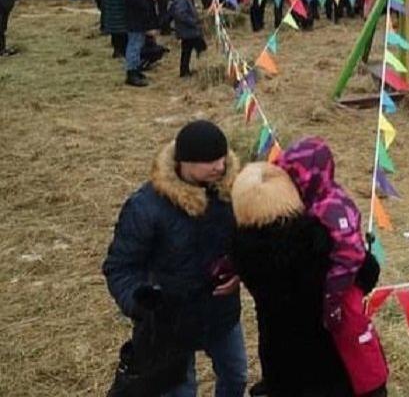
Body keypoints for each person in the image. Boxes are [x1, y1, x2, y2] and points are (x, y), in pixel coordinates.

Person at [103, 121, 246, 396]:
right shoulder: (146, 207)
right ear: (184, 163)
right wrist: (142, 303)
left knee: (237, 376)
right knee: (182, 391)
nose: (220, 166)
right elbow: (120, 267)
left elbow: (246, 242)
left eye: (222, 157)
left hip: (222, 313)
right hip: (171, 322)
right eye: (209, 161)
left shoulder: (231, 193)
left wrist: (241, 270)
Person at [230, 162, 368, 397]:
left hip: (277, 349)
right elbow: (366, 274)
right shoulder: (316, 240)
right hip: (324, 349)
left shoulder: (240, 246)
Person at [280, 138, 389, 396]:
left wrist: (332, 302)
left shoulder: (333, 207)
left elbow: (350, 257)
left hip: (343, 293)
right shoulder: (305, 201)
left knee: (356, 344)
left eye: (293, 178)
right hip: (316, 295)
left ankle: (370, 389)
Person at [120, 0, 159, 87]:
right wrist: (143, 4)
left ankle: (136, 68)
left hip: (141, 15)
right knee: (134, 44)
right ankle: (131, 72)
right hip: (135, 16)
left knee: (138, 42)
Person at [168, 0, 207, 78]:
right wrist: (194, 22)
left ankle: (185, 70)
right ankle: (186, 71)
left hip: (188, 30)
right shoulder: (181, 0)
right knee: (196, 47)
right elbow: (181, 15)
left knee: (187, 51)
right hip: (188, 31)